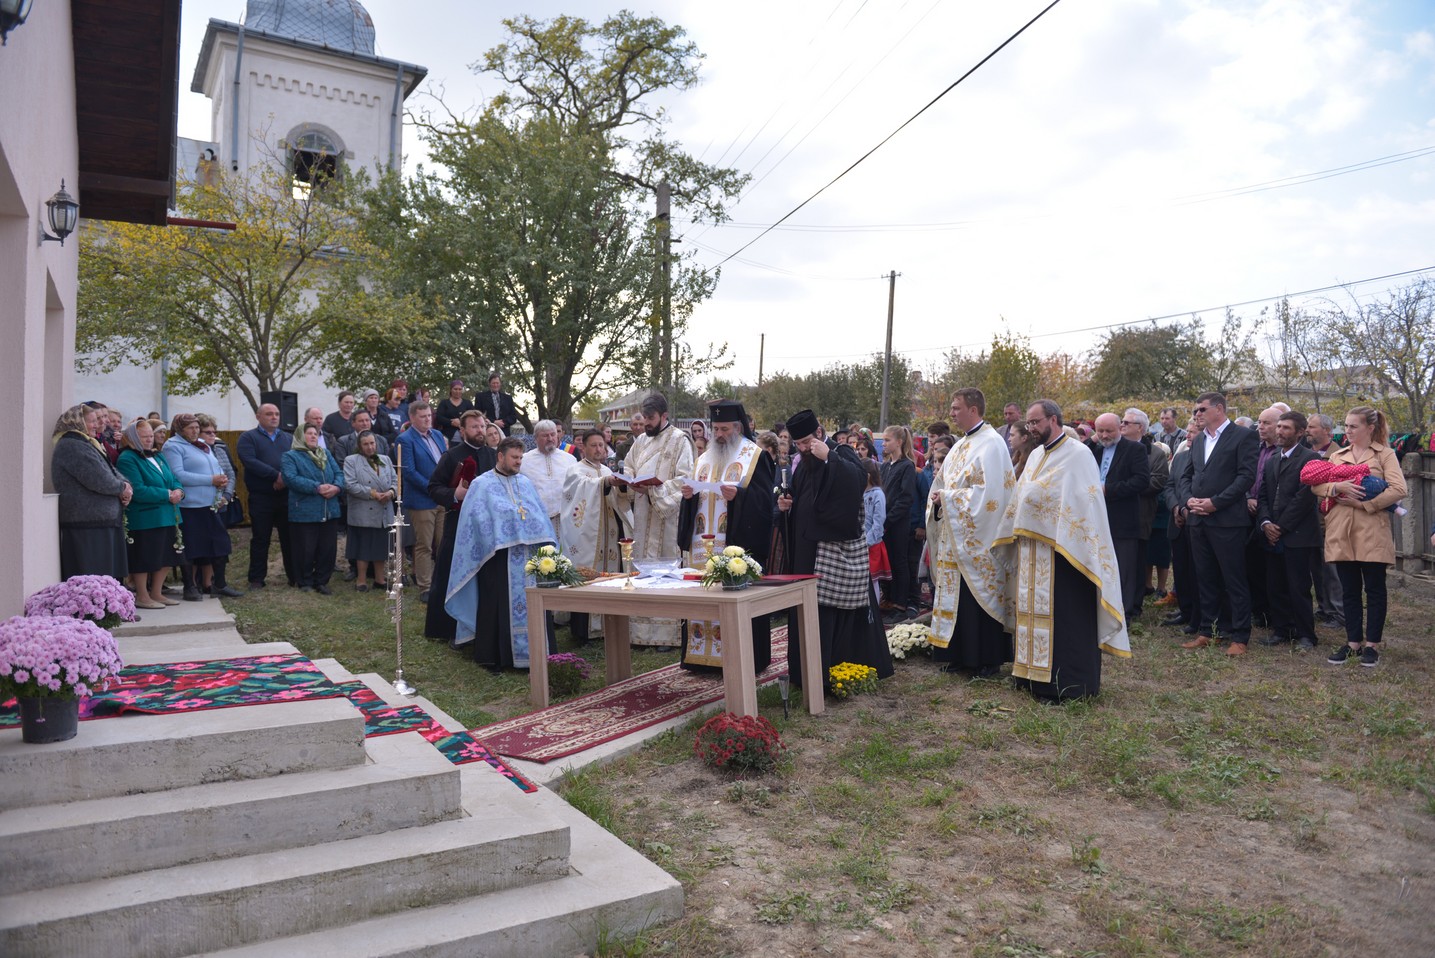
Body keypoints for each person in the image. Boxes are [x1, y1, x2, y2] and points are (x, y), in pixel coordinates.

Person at [996, 401, 1131, 701]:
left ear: (1053, 420)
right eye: (1028, 424)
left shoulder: (1078, 454)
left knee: (1066, 618)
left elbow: (1083, 502)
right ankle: (1031, 675)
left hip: (1067, 553)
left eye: (1035, 422)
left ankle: (1066, 684)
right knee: (1031, 614)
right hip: (1034, 551)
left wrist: (1036, 507)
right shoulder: (1034, 457)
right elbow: (1023, 495)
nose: (1030, 428)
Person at [776, 409, 893, 688]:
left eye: (806, 442)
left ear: (818, 433)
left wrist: (828, 458)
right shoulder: (803, 462)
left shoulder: (840, 452)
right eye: (798, 444)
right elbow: (798, 495)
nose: (802, 448)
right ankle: (803, 673)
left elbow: (856, 482)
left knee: (827, 614)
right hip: (805, 550)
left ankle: (830, 674)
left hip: (832, 555)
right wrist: (785, 507)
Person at [677, 400, 777, 672]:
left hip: (734, 547)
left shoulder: (755, 456)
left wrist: (740, 497)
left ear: (738, 427)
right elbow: (696, 497)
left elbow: (765, 503)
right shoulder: (703, 459)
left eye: (724, 429)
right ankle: (701, 661)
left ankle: (743, 659)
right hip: (702, 551)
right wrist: (688, 497)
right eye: (715, 428)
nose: (719, 434)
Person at [444, 437, 554, 671]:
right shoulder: (482, 484)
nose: (518, 462)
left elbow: (539, 514)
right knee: (497, 604)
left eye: (521, 458)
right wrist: (506, 525)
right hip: (498, 558)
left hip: (528, 558)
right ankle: (498, 656)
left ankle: (536, 654)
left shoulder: (525, 483)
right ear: (500, 456)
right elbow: (475, 520)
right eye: (514, 457)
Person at [1311, 406, 1408, 667]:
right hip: (1341, 530)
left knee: (1375, 589)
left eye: (1354, 426)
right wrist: (1337, 487)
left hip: (1372, 530)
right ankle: (1352, 642)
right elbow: (1317, 485)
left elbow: (1400, 488)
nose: (1348, 431)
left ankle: (1372, 645)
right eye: (1346, 425)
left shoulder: (1385, 454)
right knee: (1349, 590)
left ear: (1370, 428)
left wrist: (1365, 505)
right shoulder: (1338, 455)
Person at [929, 388, 1015, 677]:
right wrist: (939, 497)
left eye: (956, 408)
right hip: (957, 534)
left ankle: (986, 659)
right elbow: (943, 480)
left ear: (973, 410)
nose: (951, 413)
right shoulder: (962, 444)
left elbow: (989, 496)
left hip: (980, 536)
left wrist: (949, 499)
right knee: (957, 597)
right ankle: (959, 655)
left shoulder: (991, 444)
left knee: (977, 596)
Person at [1174, 391, 1260, 656]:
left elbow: (1245, 477)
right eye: (1195, 411)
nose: (1196, 414)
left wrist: (1216, 502)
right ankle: (1209, 631)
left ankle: (1239, 636)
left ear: (1219, 409)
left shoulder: (1243, 436)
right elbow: (1187, 476)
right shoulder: (1199, 440)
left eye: (1201, 409)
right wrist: (1189, 501)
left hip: (1227, 521)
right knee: (1206, 577)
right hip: (1198, 521)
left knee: (1233, 578)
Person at [619, 392, 694, 649]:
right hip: (642, 514)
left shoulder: (680, 441)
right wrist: (630, 479)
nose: (647, 423)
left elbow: (686, 477)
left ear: (664, 416)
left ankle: (666, 635)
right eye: (644, 417)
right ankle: (640, 633)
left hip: (667, 516)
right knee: (642, 568)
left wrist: (654, 490)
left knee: (665, 572)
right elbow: (628, 466)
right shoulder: (640, 440)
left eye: (650, 418)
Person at [425, 410, 498, 643]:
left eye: (482, 426)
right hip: (457, 525)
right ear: (462, 430)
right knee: (449, 573)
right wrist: (454, 494)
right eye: (474, 427)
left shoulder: (494, 455)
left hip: (488, 526)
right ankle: (445, 630)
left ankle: (482, 628)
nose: (480, 431)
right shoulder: (451, 456)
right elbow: (434, 487)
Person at [559, 428, 634, 644]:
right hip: (587, 537)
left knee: (612, 574)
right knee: (586, 574)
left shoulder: (605, 470)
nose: (599, 449)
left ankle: (608, 625)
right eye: (593, 445)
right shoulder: (576, 470)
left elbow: (617, 498)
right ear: (583, 447)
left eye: (601, 445)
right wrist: (607, 483)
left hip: (610, 533)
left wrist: (619, 486)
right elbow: (581, 489)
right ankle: (583, 631)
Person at [1255, 411, 1321, 651]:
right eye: (1279, 427)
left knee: (1298, 586)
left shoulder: (1311, 458)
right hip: (1271, 534)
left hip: (1298, 535)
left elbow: (1304, 499)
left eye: (1285, 428)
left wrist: (1280, 527)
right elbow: (1262, 495)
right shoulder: (1273, 459)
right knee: (1275, 585)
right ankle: (1282, 629)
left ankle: (1306, 635)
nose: (1280, 431)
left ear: (1300, 432)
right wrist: (1265, 523)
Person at [51, 404, 132, 582]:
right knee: (93, 578)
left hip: (100, 521)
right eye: (92, 421)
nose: (98, 425)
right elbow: (98, 479)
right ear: (78, 422)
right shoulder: (72, 445)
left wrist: (126, 485)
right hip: (87, 522)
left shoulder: (87, 443)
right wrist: (122, 488)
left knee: (107, 576)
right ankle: (97, 611)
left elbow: (110, 470)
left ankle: (111, 610)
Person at [163, 414, 232, 601]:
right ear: (179, 429)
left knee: (219, 544)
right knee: (191, 548)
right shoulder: (173, 446)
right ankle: (190, 586)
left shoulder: (202, 445)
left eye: (196, 427)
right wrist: (211, 480)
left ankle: (219, 584)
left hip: (210, 505)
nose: (195, 431)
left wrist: (220, 480)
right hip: (190, 506)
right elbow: (178, 475)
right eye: (190, 428)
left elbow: (213, 467)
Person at [116, 418, 183, 609]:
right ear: (132, 438)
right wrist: (167, 494)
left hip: (169, 515)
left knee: (166, 556)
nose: (149, 440)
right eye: (144, 437)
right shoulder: (128, 458)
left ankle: (157, 593)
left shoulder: (158, 455)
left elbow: (173, 478)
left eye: (151, 436)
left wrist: (179, 491)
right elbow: (137, 488)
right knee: (145, 557)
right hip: (146, 517)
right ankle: (142, 596)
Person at [1091, 412, 1152, 622]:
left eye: (1109, 430)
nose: (1105, 435)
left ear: (1120, 429)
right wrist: (1092, 439)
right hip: (1098, 517)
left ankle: (1125, 611)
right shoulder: (1096, 449)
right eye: (1100, 431)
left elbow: (1141, 481)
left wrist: (1109, 489)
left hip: (1123, 518)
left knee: (1124, 567)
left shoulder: (1135, 449)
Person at [282, 422, 345, 594]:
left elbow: (339, 473)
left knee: (327, 548)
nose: (312, 436)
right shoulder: (291, 456)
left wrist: (337, 488)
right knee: (305, 548)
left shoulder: (324, 453)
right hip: (304, 510)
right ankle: (305, 581)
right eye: (308, 433)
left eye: (315, 434)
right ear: (300, 436)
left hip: (329, 508)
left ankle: (322, 581)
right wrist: (317, 487)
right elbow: (290, 478)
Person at [237, 403, 295, 589]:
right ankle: (256, 579)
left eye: (277, 414)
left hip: (286, 495)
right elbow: (250, 461)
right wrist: (275, 475)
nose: (274, 417)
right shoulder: (248, 438)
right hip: (262, 496)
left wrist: (285, 477)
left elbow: (296, 460)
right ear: (258, 416)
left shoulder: (288, 438)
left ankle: (294, 577)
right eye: (269, 414)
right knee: (261, 538)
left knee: (289, 538)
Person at [394, 400, 447, 602]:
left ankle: (441, 582)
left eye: (429, 415)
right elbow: (409, 472)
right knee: (424, 545)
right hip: (422, 500)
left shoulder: (438, 436)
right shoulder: (405, 439)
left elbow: (444, 462)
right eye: (423, 416)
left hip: (442, 498)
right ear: (413, 418)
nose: (428, 420)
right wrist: (433, 489)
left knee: (443, 543)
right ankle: (425, 586)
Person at [342, 430, 397, 592]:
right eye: (365, 444)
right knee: (363, 548)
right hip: (363, 511)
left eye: (372, 443)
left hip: (384, 509)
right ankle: (361, 580)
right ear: (359, 446)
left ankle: (380, 579)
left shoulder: (385, 460)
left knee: (381, 547)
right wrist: (373, 493)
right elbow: (350, 485)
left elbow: (395, 480)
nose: (370, 447)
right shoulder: (351, 461)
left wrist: (391, 492)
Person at [195, 415, 243, 597]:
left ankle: (219, 583)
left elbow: (230, 472)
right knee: (201, 545)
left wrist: (227, 495)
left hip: (221, 504)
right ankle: (198, 583)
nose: (212, 436)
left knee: (221, 545)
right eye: (208, 432)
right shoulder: (192, 452)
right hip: (201, 505)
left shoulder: (220, 449)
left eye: (214, 432)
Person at [879, 425, 917, 620]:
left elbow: (906, 498)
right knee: (887, 563)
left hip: (898, 524)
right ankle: (889, 599)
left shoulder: (907, 466)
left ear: (899, 442)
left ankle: (900, 605)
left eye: (887, 440)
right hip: (884, 523)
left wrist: (889, 519)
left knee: (899, 562)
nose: (883, 444)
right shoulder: (885, 466)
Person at [521, 420, 579, 528]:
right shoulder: (524, 460)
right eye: (545, 435)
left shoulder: (570, 459)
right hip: (535, 518)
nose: (550, 439)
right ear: (536, 438)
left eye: (553, 434)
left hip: (564, 518)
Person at [861, 459, 890, 602]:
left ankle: (875, 611)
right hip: (860, 543)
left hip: (871, 543)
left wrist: (868, 541)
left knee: (873, 581)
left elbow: (878, 522)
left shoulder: (877, 494)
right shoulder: (860, 493)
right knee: (863, 581)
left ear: (867, 476)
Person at [436, 379, 474, 444]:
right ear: (451, 390)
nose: (457, 391)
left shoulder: (468, 403)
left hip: (466, 437)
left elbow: (473, 417)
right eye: (455, 389)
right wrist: (451, 422)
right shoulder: (444, 403)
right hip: (448, 437)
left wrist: (460, 422)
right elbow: (439, 417)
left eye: (460, 389)